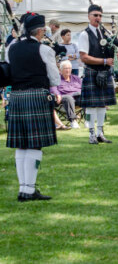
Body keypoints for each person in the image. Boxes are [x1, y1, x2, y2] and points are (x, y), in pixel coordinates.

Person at [7, 13, 60, 201]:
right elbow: (54, 78)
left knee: (21, 145)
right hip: (36, 96)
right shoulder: (44, 49)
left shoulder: (11, 48)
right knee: (35, 145)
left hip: (16, 97)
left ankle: (24, 189)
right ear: (39, 30)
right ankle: (29, 190)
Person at [78, 4, 118, 144]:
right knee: (91, 106)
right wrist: (104, 61)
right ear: (89, 16)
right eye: (95, 15)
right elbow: (84, 57)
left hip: (104, 72)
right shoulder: (84, 34)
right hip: (91, 72)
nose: (98, 18)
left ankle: (100, 133)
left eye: (100, 15)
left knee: (102, 105)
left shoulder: (105, 34)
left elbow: (111, 55)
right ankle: (91, 133)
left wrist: (116, 55)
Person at [51, 61, 82, 129]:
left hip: (77, 98)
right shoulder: (56, 79)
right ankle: (73, 121)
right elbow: (53, 88)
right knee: (68, 98)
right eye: (66, 68)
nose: (68, 70)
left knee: (86, 96)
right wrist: (58, 94)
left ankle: (88, 120)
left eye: (69, 68)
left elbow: (83, 88)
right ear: (60, 70)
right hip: (64, 99)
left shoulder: (76, 78)